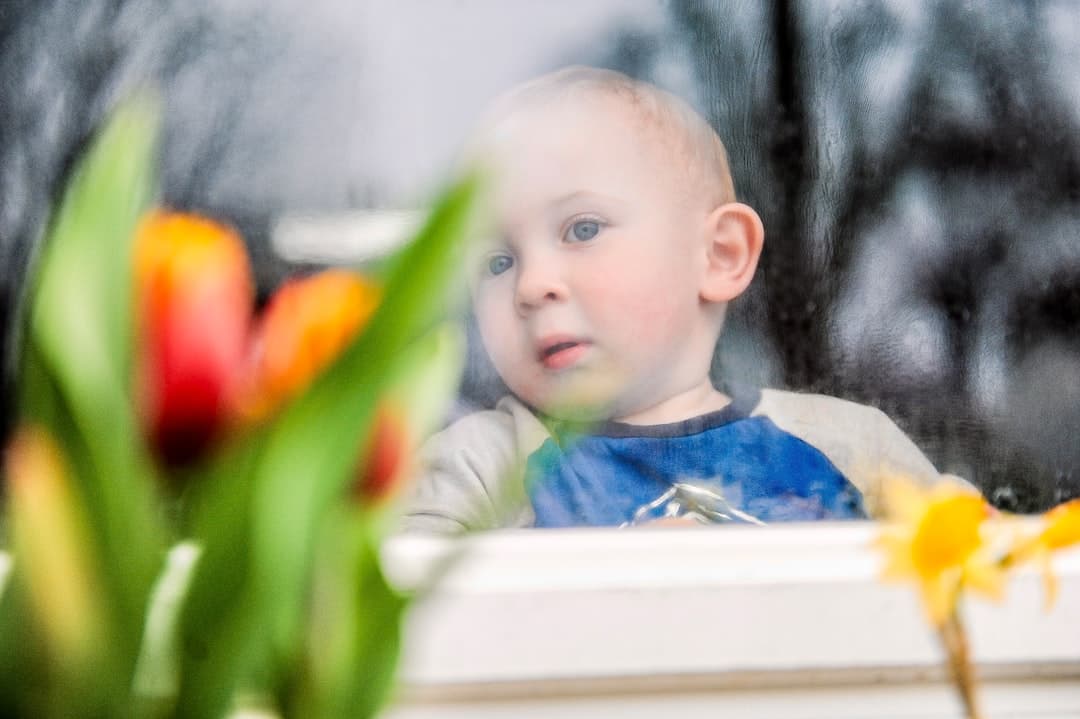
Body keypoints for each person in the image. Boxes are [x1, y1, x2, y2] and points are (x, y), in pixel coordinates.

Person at [401, 66, 943, 533]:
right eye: (496, 262)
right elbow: (404, 617)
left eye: (583, 228)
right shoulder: (477, 468)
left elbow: (978, 571)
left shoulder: (852, 448)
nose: (531, 285)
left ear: (718, 255)